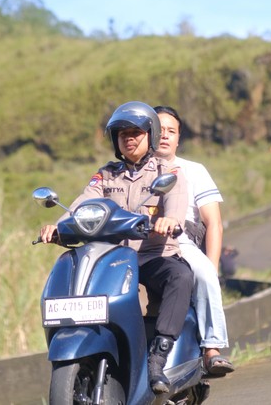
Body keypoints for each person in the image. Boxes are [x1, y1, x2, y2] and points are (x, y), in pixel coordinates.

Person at [39, 101, 193, 394]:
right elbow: (82, 202)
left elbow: (175, 202)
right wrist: (58, 227)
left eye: (135, 133)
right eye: (123, 134)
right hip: (113, 258)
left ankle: (158, 357)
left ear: (150, 134)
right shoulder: (106, 175)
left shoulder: (167, 172)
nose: (129, 138)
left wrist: (169, 220)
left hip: (152, 256)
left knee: (180, 276)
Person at [153, 105, 234, 377]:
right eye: (159, 129)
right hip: (136, 241)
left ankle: (211, 348)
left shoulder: (193, 170)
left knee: (203, 273)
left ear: (179, 138)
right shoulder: (132, 170)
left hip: (180, 242)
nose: (165, 135)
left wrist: (212, 267)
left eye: (171, 131)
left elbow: (214, 223)